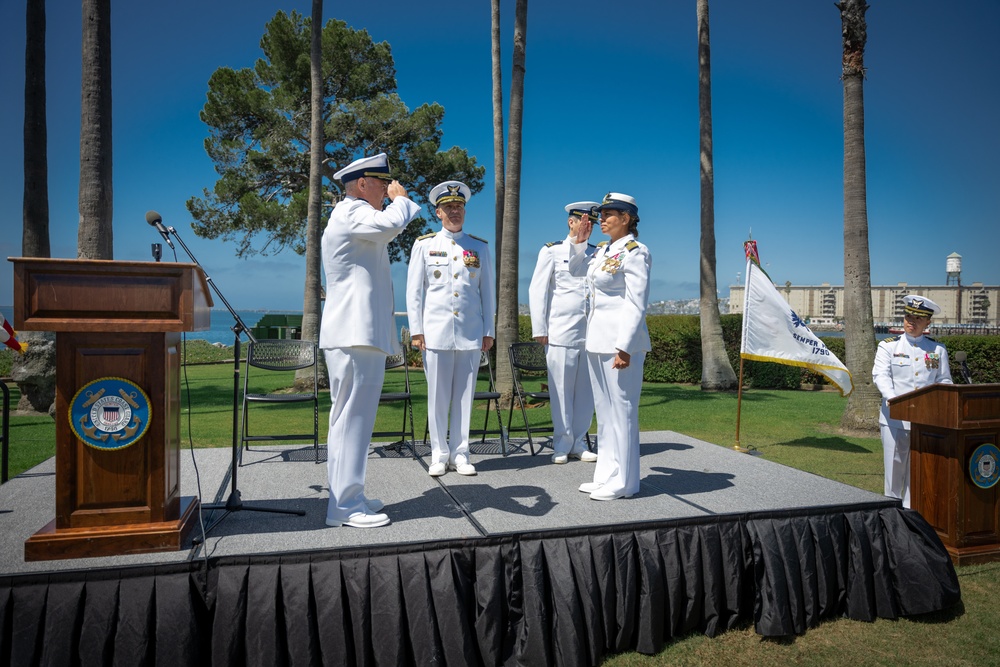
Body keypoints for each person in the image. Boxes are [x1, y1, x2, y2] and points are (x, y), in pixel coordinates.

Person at [321, 152, 421, 528]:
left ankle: (349, 495)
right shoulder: (353, 211)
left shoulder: (354, 215)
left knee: (352, 420)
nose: (386, 189)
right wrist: (402, 198)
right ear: (362, 185)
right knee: (351, 420)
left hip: (358, 334)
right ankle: (345, 508)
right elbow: (391, 223)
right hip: (353, 334)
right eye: (382, 183)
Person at [407, 181, 496, 477]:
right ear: (438, 213)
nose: (455, 211)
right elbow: (415, 293)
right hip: (435, 334)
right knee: (438, 396)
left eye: (459, 207)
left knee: (464, 397)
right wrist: (417, 330)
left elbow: (487, 294)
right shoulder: (424, 245)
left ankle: (461, 454)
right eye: (449, 207)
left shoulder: (479, 247)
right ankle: (438, 453)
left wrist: (488, 331)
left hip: (470, 333)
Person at [569, 193, 651, 501]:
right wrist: (579, 241)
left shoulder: (635, 252)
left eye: (609, 214)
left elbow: (636, 302)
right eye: (601, 214)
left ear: (627, 218)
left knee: (623, 411)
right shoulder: (604, 250)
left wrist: (624, 347)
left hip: (620, 343)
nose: (601, 218)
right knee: (604, 414)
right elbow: (577, 271)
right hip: (597, 340)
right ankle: (606, 474)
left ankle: (626, 482)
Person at [528, 201, 600, 465]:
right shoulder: (552, 251)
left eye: (592, 222)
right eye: (583, 221)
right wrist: (540, 329)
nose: (588, 226)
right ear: (571, 222)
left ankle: (579, 441)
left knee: (585, 392)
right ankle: (562, 442)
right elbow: (537, 290)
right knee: (560, 390)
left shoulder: (598, 253)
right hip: (560, 332)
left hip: (592, 334)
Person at [872, 294, 952, 508]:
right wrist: (893, 399)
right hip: (895, 420)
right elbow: (881, 375)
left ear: (928, 322)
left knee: (917, 474)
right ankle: (891, 519)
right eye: (908, 316)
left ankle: (911, 517)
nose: (911, 322)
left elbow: (944, 380)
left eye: (917, 318)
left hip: (925, 423)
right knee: (893, 472)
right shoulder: (888, 347)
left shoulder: (937, 350)